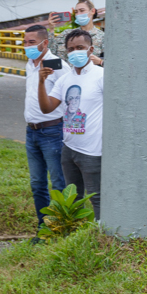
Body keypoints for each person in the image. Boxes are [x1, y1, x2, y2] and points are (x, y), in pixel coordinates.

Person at [37, 29, 105, 220]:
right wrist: (41, 82)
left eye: (80, 47)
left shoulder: (102, 76)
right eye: (71, 49)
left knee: (97, 198)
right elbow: (46, 108)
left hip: (93, 150)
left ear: (91, 49)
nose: (75, 52)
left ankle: (102, 238)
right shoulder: (65, 79)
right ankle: (75, 237)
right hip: (69, 147)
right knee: (73, 199)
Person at [23, 24, 70, 227]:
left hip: (52, 131)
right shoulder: (30, 63)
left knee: (58, 183)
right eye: (25, 42)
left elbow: (70, 97)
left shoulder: (57, 65)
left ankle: (59, 227)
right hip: (31, 131)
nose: (27, 46)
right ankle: (43, 226)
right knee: (37, 183)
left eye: (31, 42)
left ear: (45, 43)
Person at [47, 0, 104, 65]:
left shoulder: (102, 37)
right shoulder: (67, 34)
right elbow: (51, 53)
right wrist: (51, 29)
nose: (78, 14)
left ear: (92, 11)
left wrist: (100, 61)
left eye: (82, 11)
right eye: (76, 12)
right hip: (68, 73)